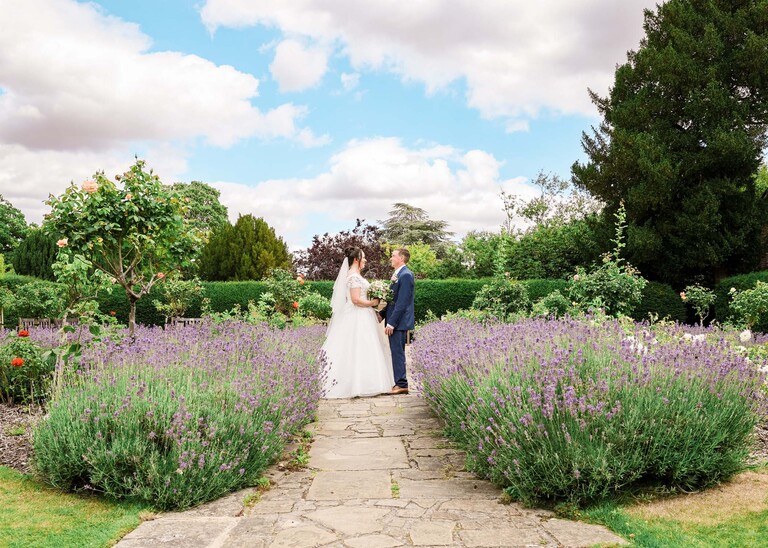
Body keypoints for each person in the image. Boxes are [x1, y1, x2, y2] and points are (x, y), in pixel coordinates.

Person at [322, 247, 395, 398]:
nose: (366, 260)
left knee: (364, 347)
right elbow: (355, 300)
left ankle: (365, 382)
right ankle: (355, 385)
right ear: (356, 259)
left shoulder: (355, 275)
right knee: (358, 346)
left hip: (363, 314)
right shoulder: (353, 277)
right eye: (364, 258)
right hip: (357, 316)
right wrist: (373, 303)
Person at [381, 248, 415, 395]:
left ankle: (402, 384)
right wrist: (382, 314)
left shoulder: (406, 275)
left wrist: (392, 323)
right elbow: (392, 300)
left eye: (393, 256)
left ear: (401, 258)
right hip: (395, 320)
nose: (391, 258)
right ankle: (399, 382)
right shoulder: (397, 274)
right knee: (395, 352)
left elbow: (402, 302)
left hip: (399, 322)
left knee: (398, 353)